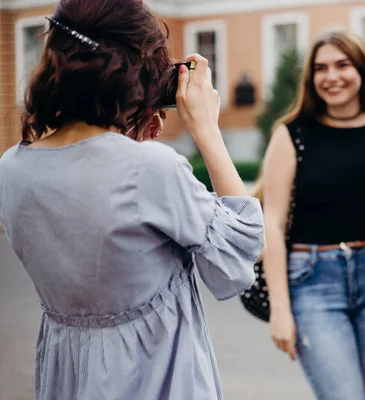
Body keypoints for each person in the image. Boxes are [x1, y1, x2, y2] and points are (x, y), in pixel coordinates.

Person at [0, 0, 264, 399]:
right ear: (138, 71)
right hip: (157, 379)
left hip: (68, 379)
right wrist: (206, 129)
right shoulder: (150, 169)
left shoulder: (12, 169)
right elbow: (244, 249)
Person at [261, 30, 365, 399]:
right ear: (311, 78)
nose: (332, 76)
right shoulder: (293, 135)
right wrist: (280, 310)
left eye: (343, 65)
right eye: (321, 68)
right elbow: (271, 224)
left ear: (362, 71)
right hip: (312, 280)